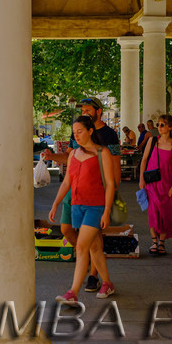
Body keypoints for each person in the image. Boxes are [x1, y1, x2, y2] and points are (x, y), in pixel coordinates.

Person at [46, 115, 118, 303]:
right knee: (94, 247)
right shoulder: (73, 154)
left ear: (90, 131)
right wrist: (55, 203)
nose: (76, 135)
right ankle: (107, 283)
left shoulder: (103, 153)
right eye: (74, 132)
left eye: (80, 131)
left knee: (81, 246)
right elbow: (67, 182)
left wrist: (106, 210)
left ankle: (73, 292)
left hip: (96, 206)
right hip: (77, 205)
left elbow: (110, 184)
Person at [137, 113, 172, 255]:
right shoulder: (152, 140)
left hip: (167, 182)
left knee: (165, 213)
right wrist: (141, 179)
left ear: (170, 127)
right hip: (152, 182)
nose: (159, 127)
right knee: (153, 212)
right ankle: (154, 242)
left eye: (162, 124)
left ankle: (162, 243)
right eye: (158, 124)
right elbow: (144, 160)